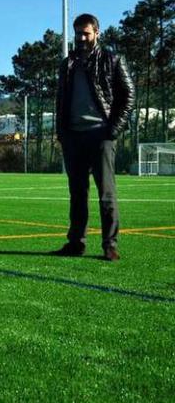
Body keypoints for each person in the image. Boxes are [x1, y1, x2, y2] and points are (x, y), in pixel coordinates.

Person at [52, 13, 134, 261]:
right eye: (78, 33)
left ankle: (110, 245)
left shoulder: (112, 60)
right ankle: (76, 242)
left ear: (97, 32)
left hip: (100, 136)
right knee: (77, 194)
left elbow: (128, 96)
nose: (81, 38)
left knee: (106, 194)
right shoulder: (67, 64)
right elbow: (60, 100)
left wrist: (112, 130)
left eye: (86, 33)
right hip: (73, 137)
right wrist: (62, 132)